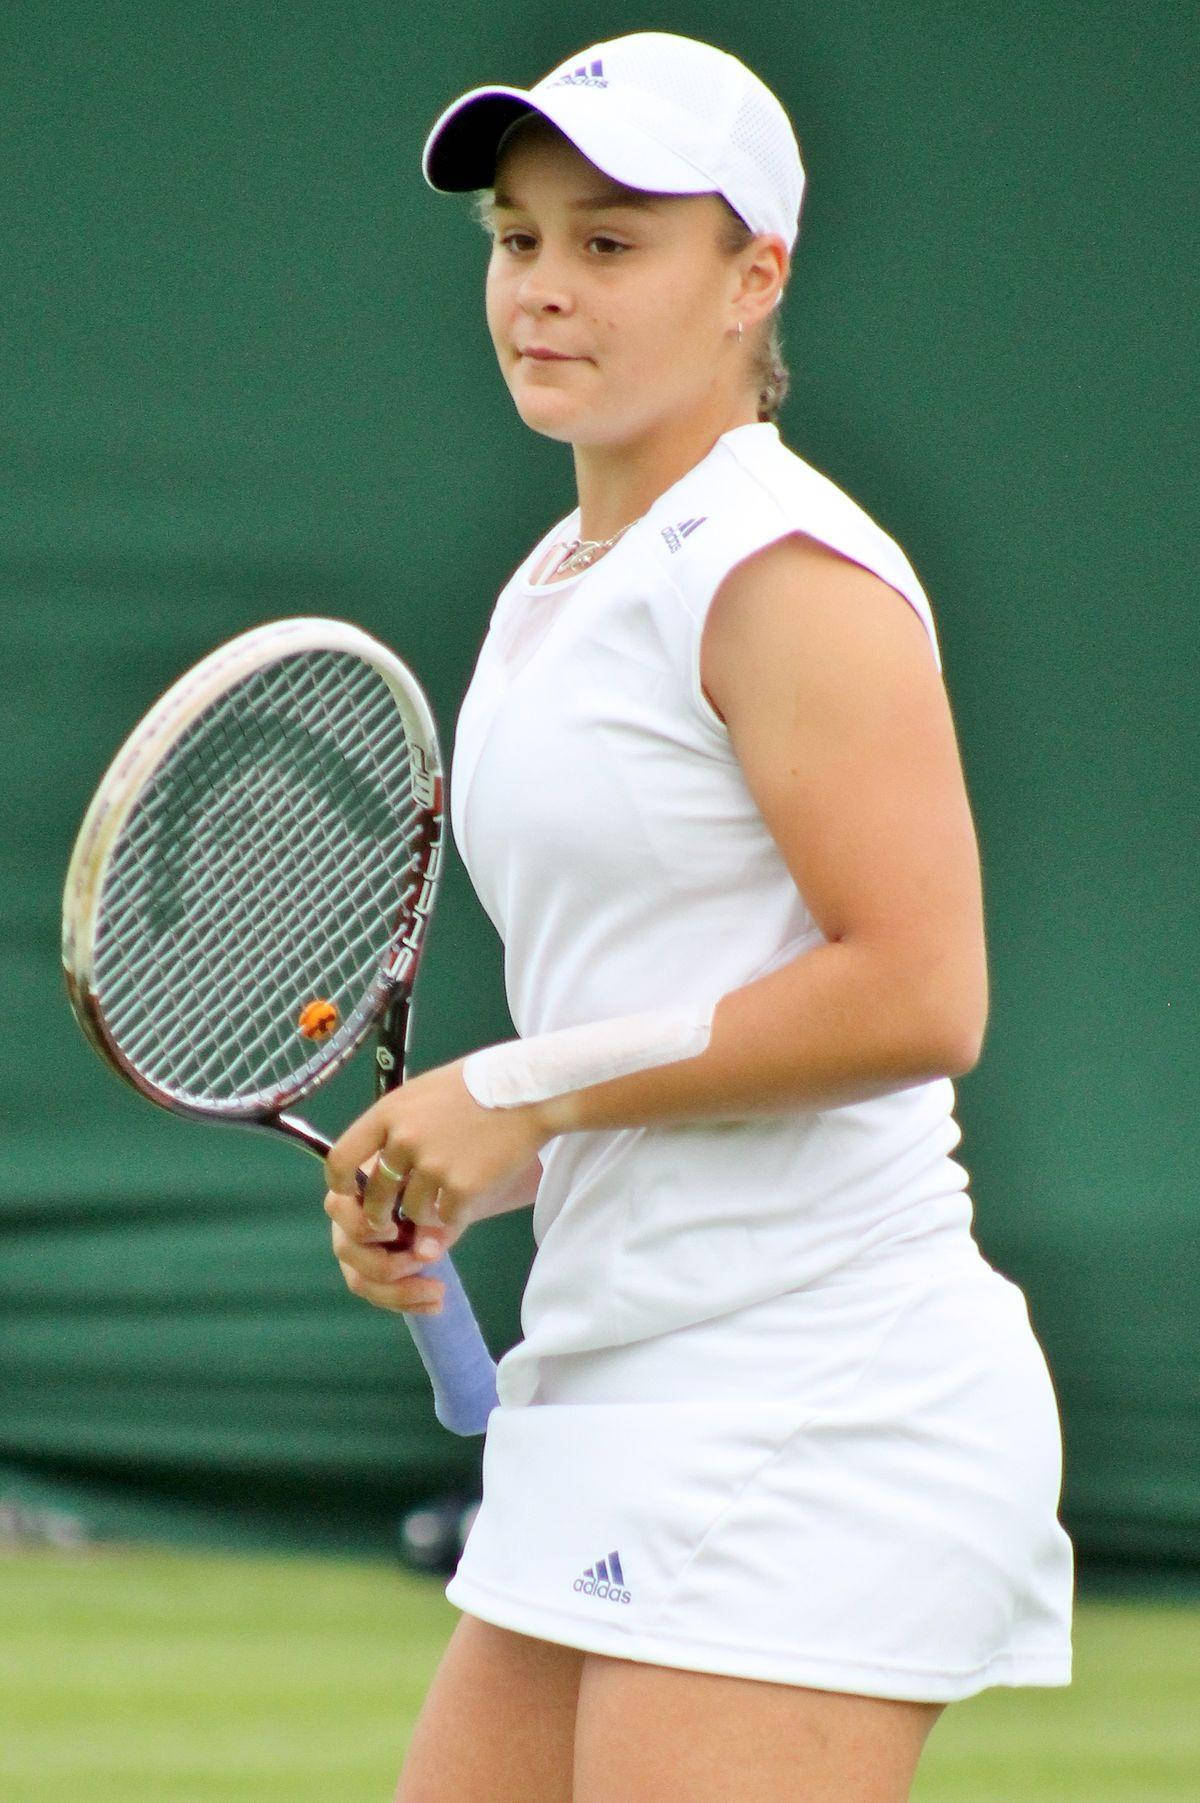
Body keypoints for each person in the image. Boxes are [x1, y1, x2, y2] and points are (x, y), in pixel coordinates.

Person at [323, 32, 1074, 1803]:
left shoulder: (782, 571)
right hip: (614, 1380)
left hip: (816, 1396)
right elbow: (672, 1012)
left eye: (610, 243)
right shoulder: (556, 582)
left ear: (756, 278)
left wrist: (520, 1090)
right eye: (518, 240)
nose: (543, 291)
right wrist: (470, 1169)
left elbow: (919, 992)